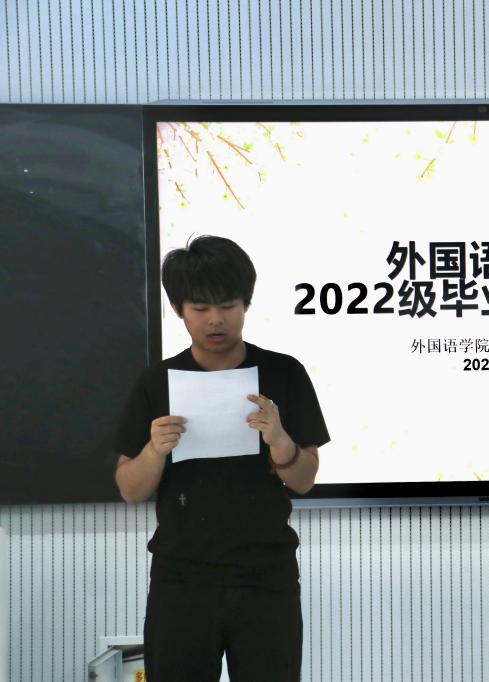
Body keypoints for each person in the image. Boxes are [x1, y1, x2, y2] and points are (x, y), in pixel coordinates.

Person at [114, 235, 329, 682]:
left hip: (266, 576)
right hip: (182, 578)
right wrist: (154, 450)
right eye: (200, 308)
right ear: (179, 310)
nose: (216, 319)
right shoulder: (157, 381)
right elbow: (130, 489)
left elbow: (304, 479)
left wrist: (280, 440)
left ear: (246, 304)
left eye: (228, 305)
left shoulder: (284, 372)